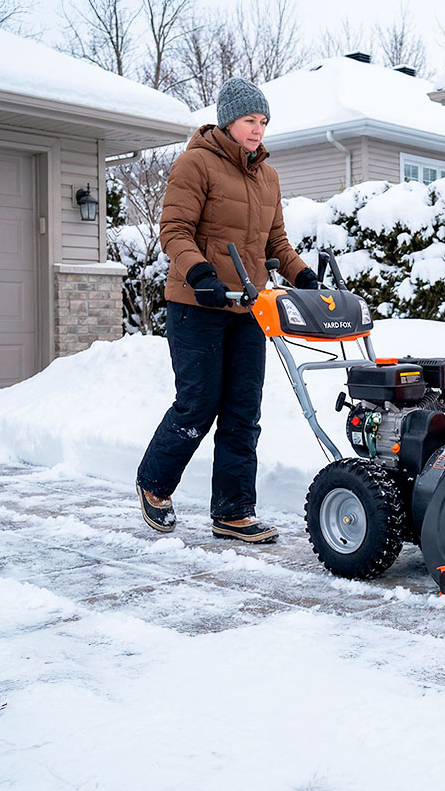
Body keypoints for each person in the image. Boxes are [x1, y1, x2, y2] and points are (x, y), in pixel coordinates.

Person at [135, 77, 318, 543]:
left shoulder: (268, 176)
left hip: (249, 308)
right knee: (198, 402)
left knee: (242, 410)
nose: (257, 130)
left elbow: (275, 242)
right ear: (227, 121)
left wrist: (302, 276)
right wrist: (200, 274)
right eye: (248, 121)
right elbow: (175, 229)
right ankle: (154, 484)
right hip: (197, 305)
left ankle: (234, 512)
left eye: (262, 122)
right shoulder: (195, 164)